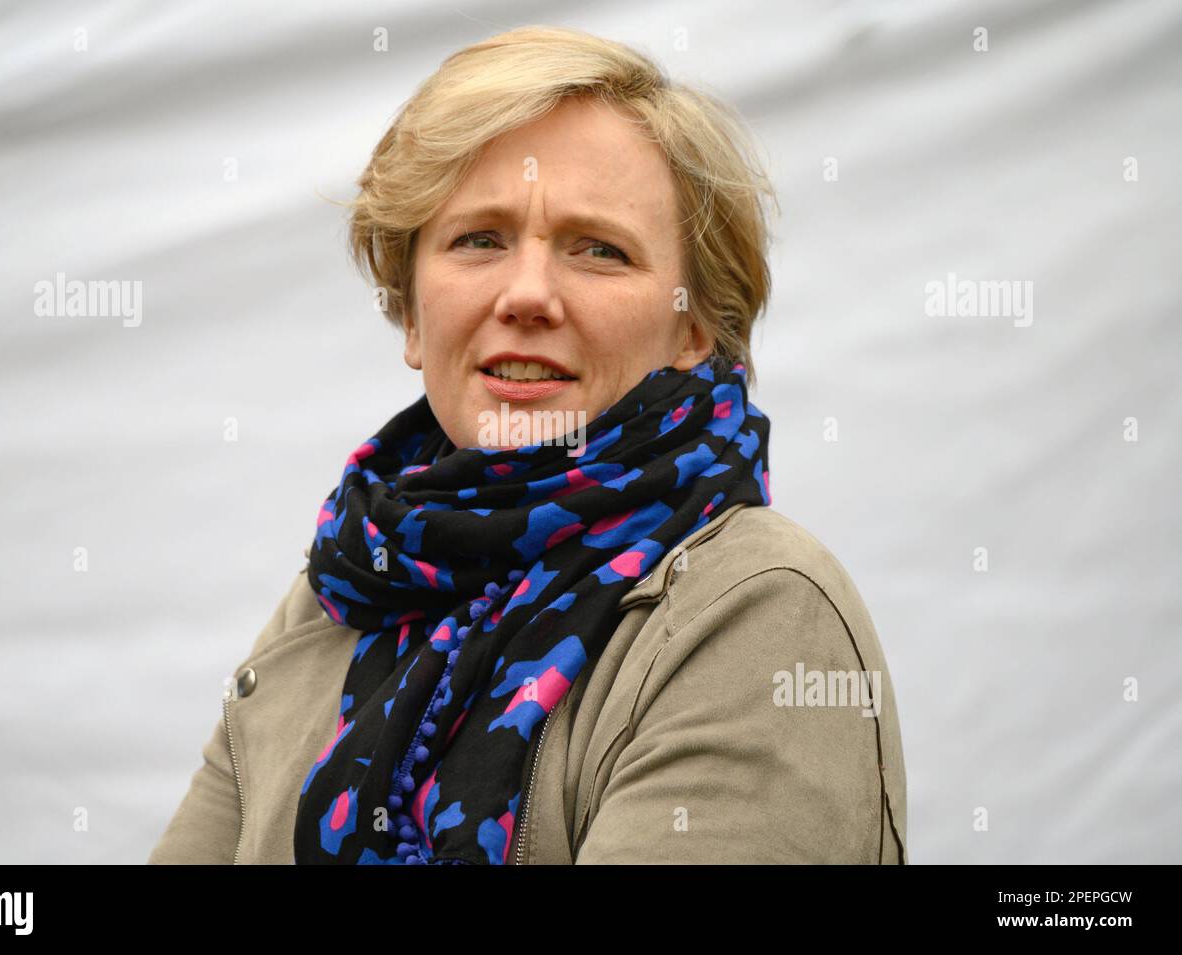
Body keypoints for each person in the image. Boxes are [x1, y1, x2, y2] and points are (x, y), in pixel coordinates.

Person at [148, 24, 907, 865]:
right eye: (480, 239)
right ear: (410, 312)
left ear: (695, 326)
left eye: (599, 250)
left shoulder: (757, 606)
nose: (529, 294)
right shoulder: (349, 583)